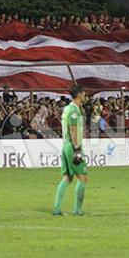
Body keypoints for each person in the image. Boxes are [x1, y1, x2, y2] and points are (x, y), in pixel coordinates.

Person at [53, 85, 88, 216]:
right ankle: (77, 210)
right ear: (79, 95)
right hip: (72, 147)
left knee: (67, 178)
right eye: (84, 94)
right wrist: (77, 149)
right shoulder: (74, 110)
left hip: (66, 146)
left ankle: (57, 209)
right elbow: (73, 129)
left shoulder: (67, 109)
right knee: (83, 178)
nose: (85, 97)